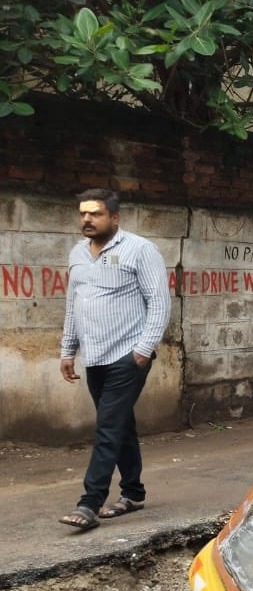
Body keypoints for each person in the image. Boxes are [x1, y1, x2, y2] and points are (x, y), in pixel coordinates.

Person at [58, 189, 171, 532]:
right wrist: (67, 350)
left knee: (107, 427)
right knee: (120, 425)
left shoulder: (140, 249)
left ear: (115, 217)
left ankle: (89, 503)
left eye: (95, 214)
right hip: (95, 356)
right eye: (83, 214)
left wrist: (142, 350)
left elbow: (160, 302)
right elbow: (73, 304)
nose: (87, 220)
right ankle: (133, 493)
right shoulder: (78, 253)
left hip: (128, 355)